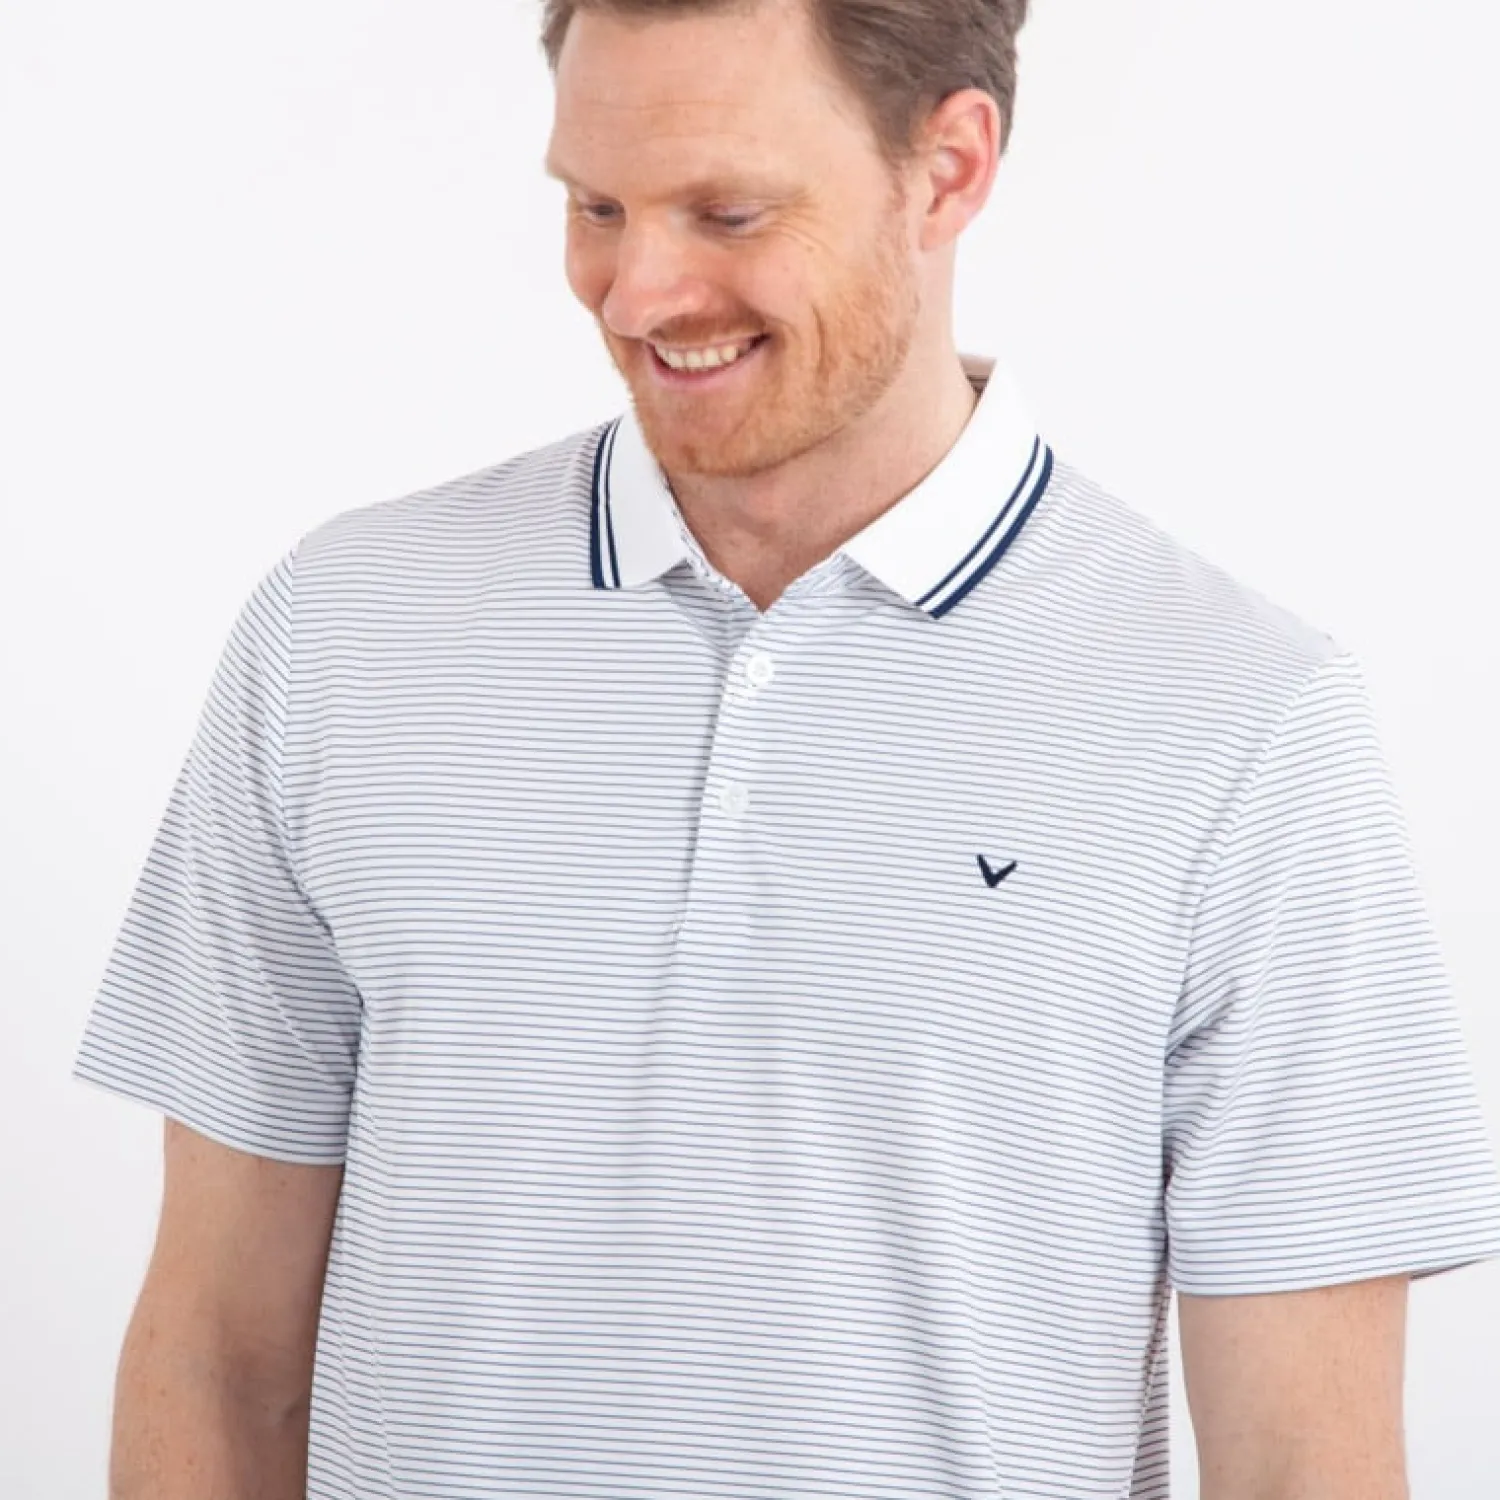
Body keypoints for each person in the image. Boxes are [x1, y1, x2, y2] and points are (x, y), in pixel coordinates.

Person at [72, 0, 1500, 1496]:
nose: (637, 292)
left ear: (949, 168)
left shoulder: (1240, 717)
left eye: (729, 212)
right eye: (596, 207)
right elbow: (218, 1355)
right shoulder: (345, 631)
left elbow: (1301, 1465)